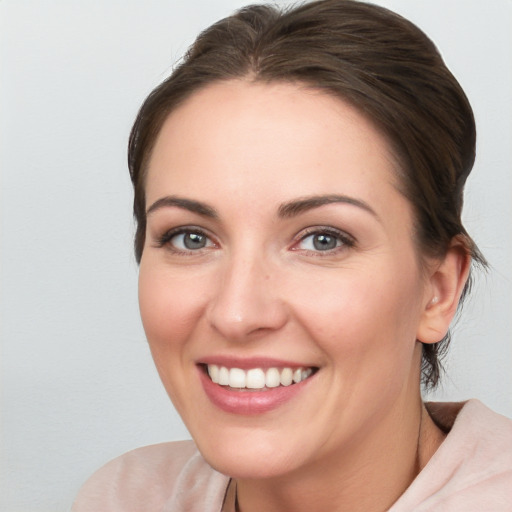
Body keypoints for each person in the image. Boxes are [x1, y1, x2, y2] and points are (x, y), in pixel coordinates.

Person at [72, 0, 512, 510]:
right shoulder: (124, 497)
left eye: (323, 239)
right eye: (191, 237)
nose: (237, 314)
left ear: (438, 290)